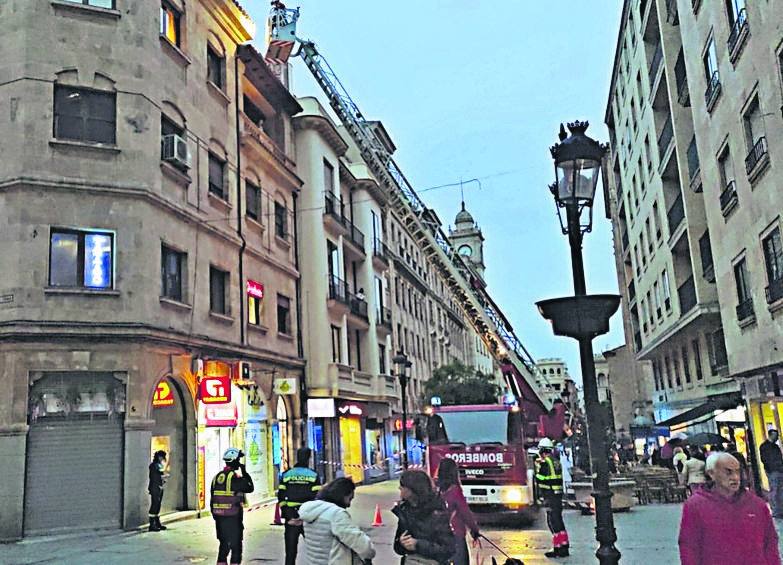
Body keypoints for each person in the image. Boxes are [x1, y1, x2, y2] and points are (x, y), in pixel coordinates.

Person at [678, 452, 781, 565]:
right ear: (711, 473)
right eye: (728, 472)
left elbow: (770, 543)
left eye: (738, 471)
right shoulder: (695, 506)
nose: (735, 477)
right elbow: (688, 546)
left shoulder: (757, 505)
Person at [299, 477, 376, 564]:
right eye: (350, 499)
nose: (349, 504)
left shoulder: (311, 511)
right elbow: (363, 546)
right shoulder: (336, 514)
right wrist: (370, 552)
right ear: (341, 495)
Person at [392, 469, 455, 565]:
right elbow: (398, 549)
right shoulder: (404, 511)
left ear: (413, 489)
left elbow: (448, 549)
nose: (399, 488)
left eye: (402, 486)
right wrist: (401, 543)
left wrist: (418, 545)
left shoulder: (437, 513)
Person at [210, 448, 254, 565]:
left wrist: (217, 516)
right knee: (236, 547)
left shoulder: (216, 477)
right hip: (233, 517)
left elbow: (212, 500)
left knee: (223, 546)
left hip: (220, 518)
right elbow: (250, 487)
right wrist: (244, 471)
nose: (239, 462)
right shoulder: (234, 478)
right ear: (234, 461)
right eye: (238, 460)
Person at [278, 447, 321, 565]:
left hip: (291, 517)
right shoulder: (313, 475)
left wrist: (289, 515)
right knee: (317, 552)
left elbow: (281, 497)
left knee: (290, 553)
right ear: (309, 458)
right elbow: (317, 498)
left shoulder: (287, 475)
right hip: (308, 518)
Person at [436, 458, 479, 565]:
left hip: (440, 535)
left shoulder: (437, 490)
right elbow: (465, 512)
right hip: (456, 534)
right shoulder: (455, 490)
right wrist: (474, 530)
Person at [535, 437, 569, 558]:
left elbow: (542, 479)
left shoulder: (545, 463)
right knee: (559, 521)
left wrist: (536, 473)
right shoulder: (556, 461)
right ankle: (564, 546)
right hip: (558, 494)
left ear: (542, 450)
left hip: (549, 495)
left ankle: (557, 548)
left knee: (552, 522)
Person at [760, 429, 783, 518]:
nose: (777, 438)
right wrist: (770, 469)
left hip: (778, 470)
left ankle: (779, 509)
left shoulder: (775, 447)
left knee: (779, 490)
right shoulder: (765, 446)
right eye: (775, 436)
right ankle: (776, 510)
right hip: (773, 471)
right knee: (775, 490)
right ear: (770, 435)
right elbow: (765, 459)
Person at [148, 450, 168, 532]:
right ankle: (152, 524)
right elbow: (154, 477)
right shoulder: (154, 465)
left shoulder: (159, 465)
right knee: (155, 504)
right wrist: (162, 477)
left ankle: (157, 522)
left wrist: (163, 479)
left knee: (158, 504)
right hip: (155, 487)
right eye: (162, 457)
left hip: (159, 487)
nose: (162, 459)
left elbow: (160, 475)